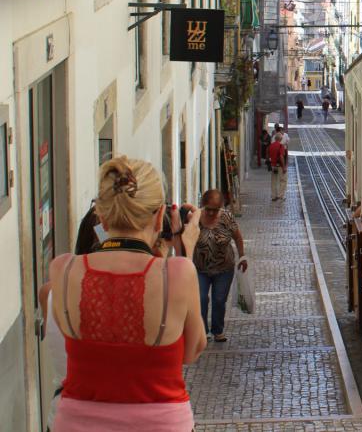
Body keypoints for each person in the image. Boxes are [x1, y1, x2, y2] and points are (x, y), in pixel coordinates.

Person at [50, 157, 205, 431]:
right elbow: (191, 351)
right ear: (159, 217)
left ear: (100, 215)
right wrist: (186, 251)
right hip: (160, 423)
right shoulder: (178, 274)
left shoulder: (62, 270)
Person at [193, 190, 246, 342]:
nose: (210, 212)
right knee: (201, 298)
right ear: (203, 205)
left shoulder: (227, 217)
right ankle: (202, 331)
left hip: (224, 268)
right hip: (200, 268)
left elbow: (238, 238)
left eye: (214, 209)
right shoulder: (196, 217)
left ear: (220, 207)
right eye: (207, 208)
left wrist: (242, 257)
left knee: (219, 299)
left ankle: (218, 330)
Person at [268, 133, 287, 201]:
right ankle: (280, 195)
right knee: (283, 180)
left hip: (273, 166)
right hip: (280, 166)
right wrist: (284, 167)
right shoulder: (280, 146)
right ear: (281, 139)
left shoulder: (271, 146)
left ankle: (274, 196)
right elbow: (281, 157)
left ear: (275, 138)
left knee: (273, 181)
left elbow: (268, 156)